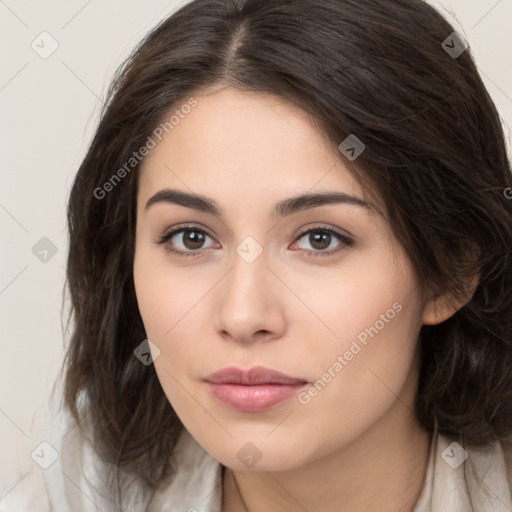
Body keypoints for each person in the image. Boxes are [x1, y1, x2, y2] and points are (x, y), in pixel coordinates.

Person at [2, 0, 512, 510]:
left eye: (319, 239)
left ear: (451, 272)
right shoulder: (73, 484)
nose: (243, 316)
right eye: (191, 238)